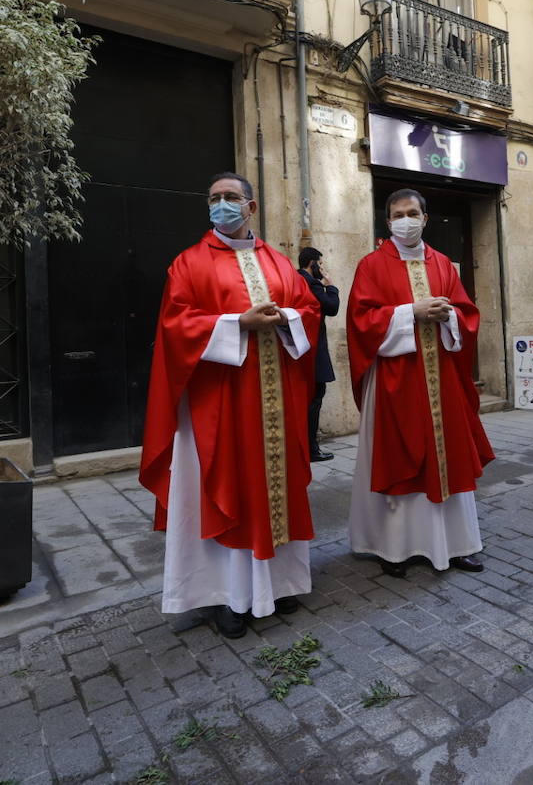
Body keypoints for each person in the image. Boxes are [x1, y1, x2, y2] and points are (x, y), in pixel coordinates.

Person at [139, 173, 322, 638]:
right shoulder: (189, 263)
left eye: (231, 198)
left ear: (251, 207)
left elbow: (310, 310)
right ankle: (225, 596)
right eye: (215, 198)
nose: (222, 205)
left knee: (272, 489)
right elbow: (176, 325)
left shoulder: (279, 263)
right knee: (226, 490)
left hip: (273, 406)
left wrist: (288, 317)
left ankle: (277, 585)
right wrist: (235, 323)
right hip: (219, 406)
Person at [346, 188, 494, 578]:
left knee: (450, 457)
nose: (405, 220)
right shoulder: (371, 265)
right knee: (399, 456)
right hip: (396, 380)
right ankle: (393, 548)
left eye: (412, 212)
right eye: (398, 214)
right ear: (388, 220)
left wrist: (449, 317)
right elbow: (361, 322)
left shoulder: (443, 263)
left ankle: (458, 544)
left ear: (425, 219)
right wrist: (410, 312)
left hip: (442, 380)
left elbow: (467, 314)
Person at [296, 247, 339, 462]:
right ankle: (311, 449)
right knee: (315, 400)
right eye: (319, 264)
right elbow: (332, 307)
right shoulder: (311, 283)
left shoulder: (296, 279)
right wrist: (330, 285)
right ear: (312, 263)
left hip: (300, 350)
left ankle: (305, 447)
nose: (321, 268)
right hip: (314, 352)